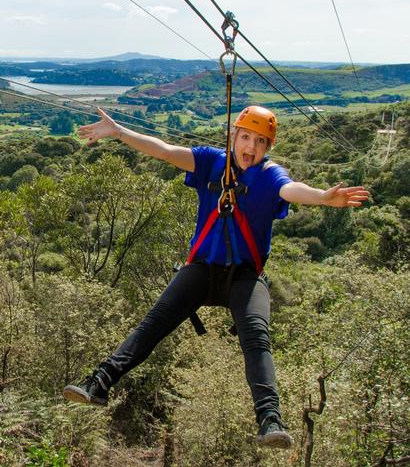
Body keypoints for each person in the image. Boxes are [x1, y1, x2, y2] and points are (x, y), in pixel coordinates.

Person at [63, 105, 369, 449]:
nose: (250, 147)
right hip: (202, 271)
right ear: (233, 137)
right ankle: (99, 383)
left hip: (245, 276)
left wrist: (322, 199)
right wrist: (119, 132)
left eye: (259, 142)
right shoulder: (211, 162)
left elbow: (290, 190)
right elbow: (164, 151)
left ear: (267, 148)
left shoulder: (269, 176)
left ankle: (270, 420)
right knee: (154, 323)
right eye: (245, 137)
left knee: (256, 337)